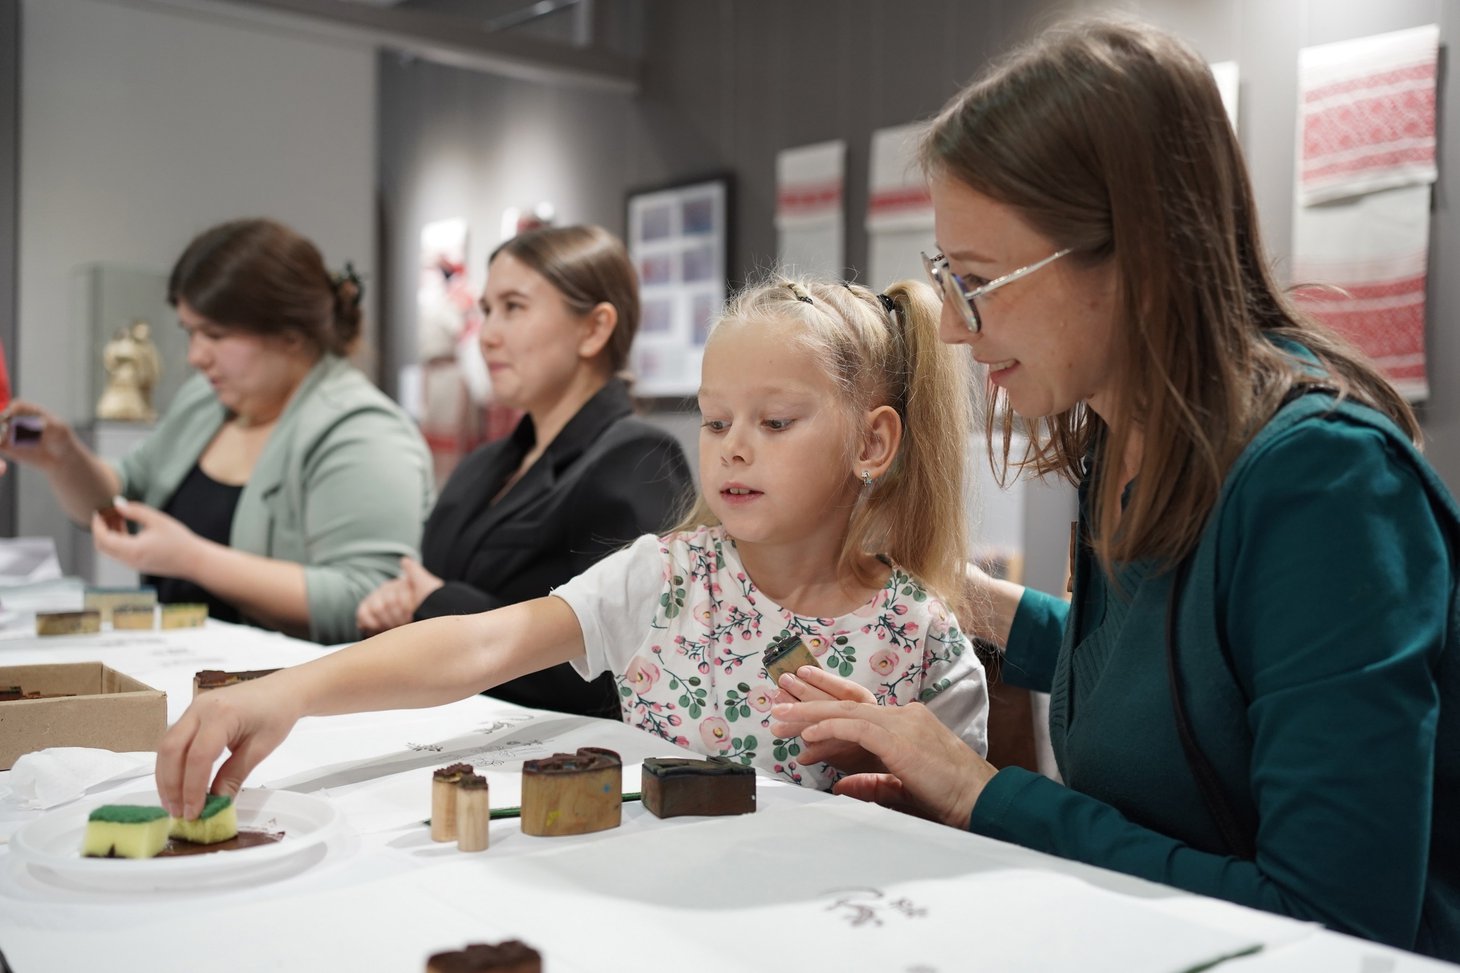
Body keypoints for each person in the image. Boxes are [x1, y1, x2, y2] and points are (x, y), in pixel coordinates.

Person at [769, 18, 1458, 961]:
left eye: (978, 282)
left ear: (1134, 251)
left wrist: (981, 790)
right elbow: (1167, 661)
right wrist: (972, 599)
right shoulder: (1123, 437)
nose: (961, 333)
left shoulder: (1325, 483)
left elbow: (1332, 921)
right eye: (946, 280)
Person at [155, 272, 990, 812]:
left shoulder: (921, 637)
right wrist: (284, 691)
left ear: (872, 444)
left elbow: (965, 813)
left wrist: (904, 790)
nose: (732, 446)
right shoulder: (662, 578)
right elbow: (482, 643)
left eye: (774, 422)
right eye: (714, 420)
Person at [0, 218, 434, 644]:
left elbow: (363, 599)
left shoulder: (362, 431)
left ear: (290, 336)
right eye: (190, 332)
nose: (195, 356)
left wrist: (193, 560)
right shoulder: (205, 402)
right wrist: (62, 458)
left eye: (215, 334)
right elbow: (120, 500)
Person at [354, 224, 694, 719]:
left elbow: (627, 663)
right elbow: (429, 583)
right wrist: (401, 603)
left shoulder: (638, 461)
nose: (488, 335)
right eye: (486, 310)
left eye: (513, 308)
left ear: (594, 329)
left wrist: (436, 601)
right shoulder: (487, 463)